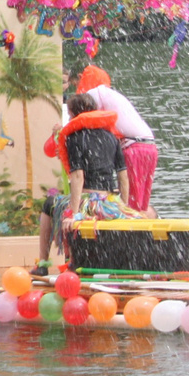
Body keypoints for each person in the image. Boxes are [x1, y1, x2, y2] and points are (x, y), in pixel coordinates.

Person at [37, 93, 141, 270]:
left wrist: (74, 213)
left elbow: (78, 176)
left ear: (75, 114)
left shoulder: (75, 137)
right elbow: (123, 176)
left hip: (89, 202)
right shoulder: (111, 137)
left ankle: (43, 263)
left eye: (69, 115)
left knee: (49, 205)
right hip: (109, 201)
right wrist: (123, 205)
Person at [76, 65, 159, 213]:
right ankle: (143, 229)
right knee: (141, 202)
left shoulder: (94, 94)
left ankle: (129, 230)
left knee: (131, 202)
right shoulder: (112, 95)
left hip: (134, 147)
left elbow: (84, 120)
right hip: (150, 146)